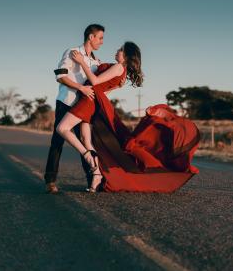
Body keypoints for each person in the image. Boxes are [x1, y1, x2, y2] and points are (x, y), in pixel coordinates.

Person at [57, 42, 201, 193]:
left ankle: (89, 158)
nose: (117, 51)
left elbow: (95, 81)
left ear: (126, 56)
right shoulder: (123, 74)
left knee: (62, 128)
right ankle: (97, 174)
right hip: (93, 101)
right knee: (85, 139)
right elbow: (105, 90)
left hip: (88, 100)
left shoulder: (119, 67)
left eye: (120, 50)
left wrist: (81, 62)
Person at [44, 24, 104, 194]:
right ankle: (50, 180)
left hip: (84, 107)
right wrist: (81, 88)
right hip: (67, 102)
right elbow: (60, 76)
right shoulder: (71, 52)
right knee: (58, 141)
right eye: (100, 38)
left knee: (85, 141)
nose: (101, 42)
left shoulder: (96, 61)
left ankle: (92, 179)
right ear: (91, 37)